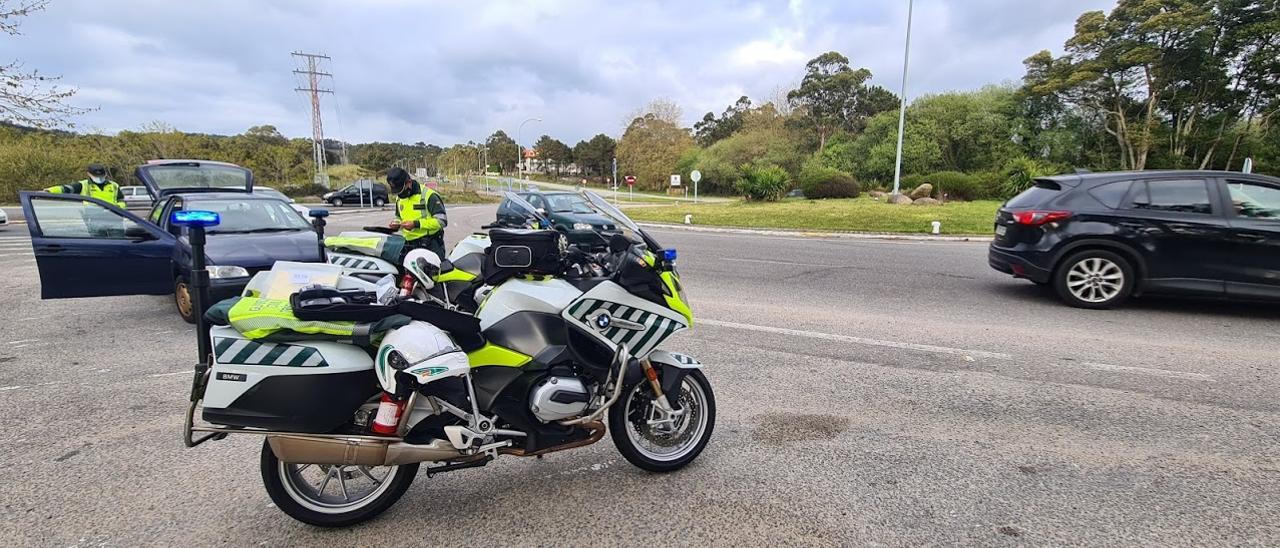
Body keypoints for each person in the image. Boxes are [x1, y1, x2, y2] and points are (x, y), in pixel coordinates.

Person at [386, 167, 447, 259]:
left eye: (402, 190)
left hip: (430, 245)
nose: (400, 194)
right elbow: (399, 217)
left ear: (409, 182)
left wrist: (416, 224)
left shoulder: (429, 195)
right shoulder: (399, 198)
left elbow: (442, 221)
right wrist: (396, 223)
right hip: (408, 245)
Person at [46, 163, 126, 208]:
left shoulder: (114, 185)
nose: (99, 178)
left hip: (114, 218)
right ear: (89, 174)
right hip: (93, 220)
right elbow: (66, 188)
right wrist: (49, 191)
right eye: (96, 176)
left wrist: (117, 207)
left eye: (101, 176)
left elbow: (121, 200)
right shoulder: (83, 185)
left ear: (105, 174)